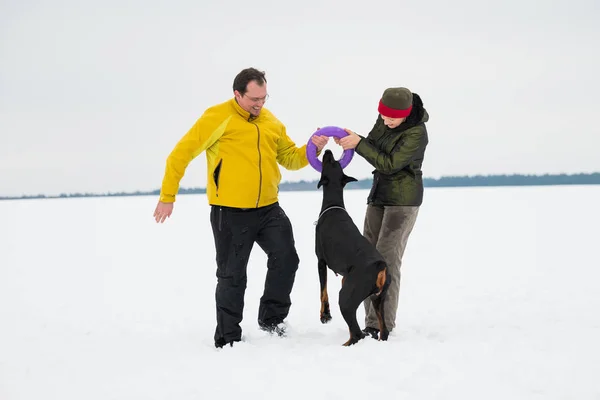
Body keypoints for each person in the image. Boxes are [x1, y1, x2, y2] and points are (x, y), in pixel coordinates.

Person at [153, 67, 329, 348]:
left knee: (287, 260)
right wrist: (168, 195)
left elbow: (291, 159)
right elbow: (179, 155)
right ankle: (228, 337)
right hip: (230, 211)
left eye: (263, 98)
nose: (259, 104)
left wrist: (313, 147)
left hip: (269, 208)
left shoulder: (271, 121)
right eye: (253, 99)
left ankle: (272, 320)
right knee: (232, 275)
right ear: (237, 94)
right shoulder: (217, 117)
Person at [336, 87, 429, 338]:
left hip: (403, 202)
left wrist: (359, 144)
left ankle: (380, 324)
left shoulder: (417, 133)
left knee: (386, 262)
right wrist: (352, 140)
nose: (386, 121)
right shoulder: (384, 119)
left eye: (392, 117)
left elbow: (389, 164)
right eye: (383, 115)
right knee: (366, 260)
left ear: (406, 113)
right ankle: (369, 322)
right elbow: (373, 145)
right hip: (378, 196)